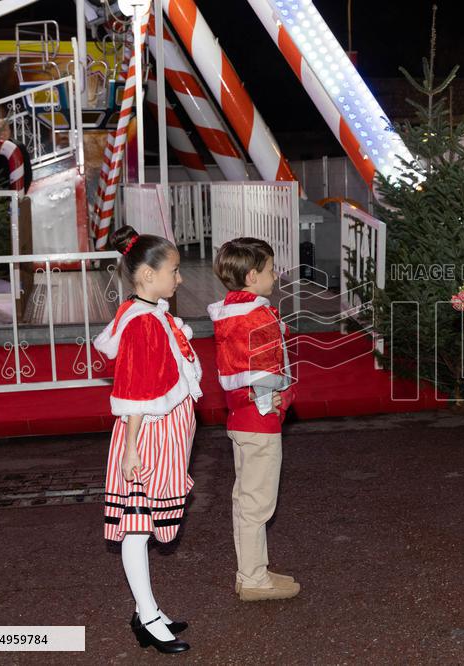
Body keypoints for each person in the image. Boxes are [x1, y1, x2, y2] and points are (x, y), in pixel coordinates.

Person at [93, 226, 203, 654]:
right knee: (137, 529)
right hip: (150, 438)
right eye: (174, 271)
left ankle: (146, 613)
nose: (180, 279)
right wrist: (133, 447)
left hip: (161, 434)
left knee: (141, 526)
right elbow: (135, 391)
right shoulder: (143, 324)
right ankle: (148, 616)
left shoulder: (145, 313)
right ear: (147, 275)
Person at [208, 238, 300, 601]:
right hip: (259, 423)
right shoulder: (258, 315)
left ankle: (254, 570)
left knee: (247, 499)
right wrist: (274, 402)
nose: (275, 276)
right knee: (257, 503)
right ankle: (253, 579)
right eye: (270, 270)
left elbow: (238, 369)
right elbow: (263, 368)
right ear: (251, 276)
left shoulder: (233, 313)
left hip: (241, 420)